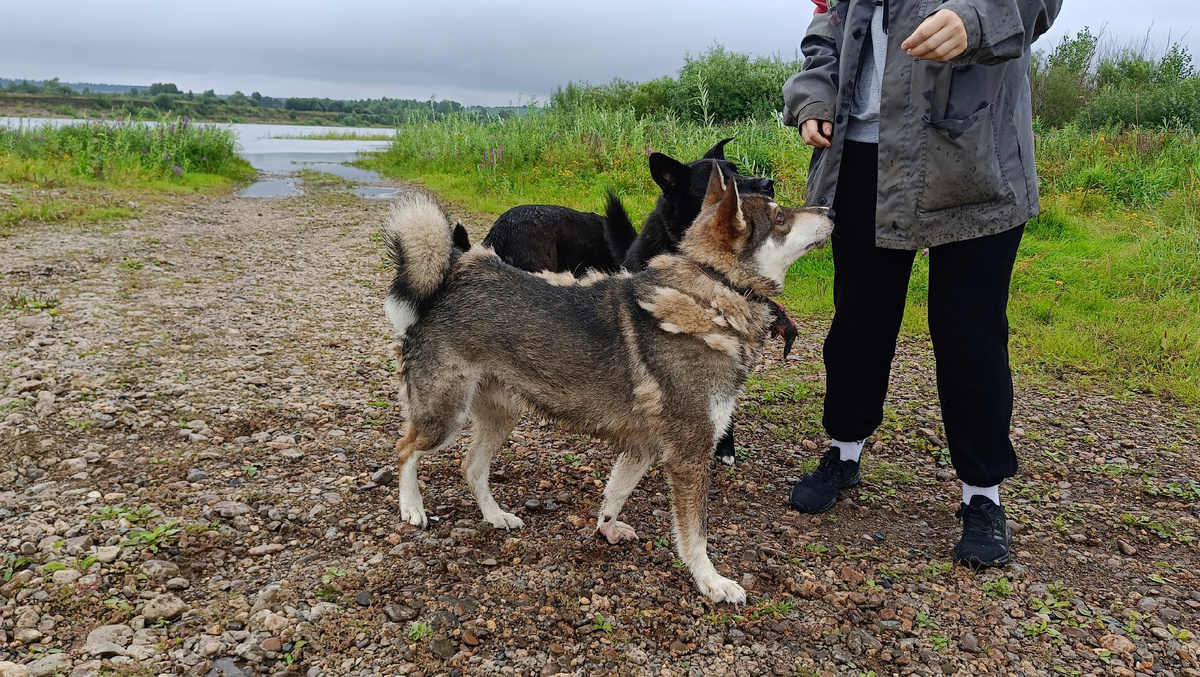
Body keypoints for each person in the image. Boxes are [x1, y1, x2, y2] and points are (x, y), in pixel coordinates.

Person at [781, 0, 1060, 567]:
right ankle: (844, 451)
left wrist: (975, 19)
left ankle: (982, 495)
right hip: (861, 156)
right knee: (859, 320)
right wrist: (815, 97)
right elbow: (829, 25)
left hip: (976, 156)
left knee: (969, 332)